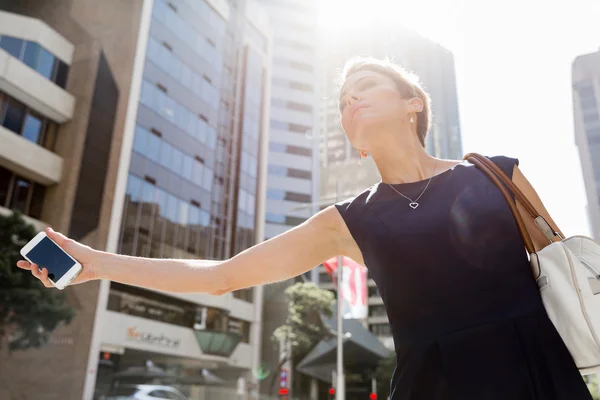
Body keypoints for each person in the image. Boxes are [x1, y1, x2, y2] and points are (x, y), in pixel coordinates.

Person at [18, 57, 592, 400]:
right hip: (434, 386)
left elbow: (571, 279)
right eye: (344, 101)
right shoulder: (349, 220)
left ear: (413, 103)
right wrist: (96, 264)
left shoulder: (496, 175)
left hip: (538, 371)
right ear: (350, 134)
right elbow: (223, 275)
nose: (352, 100)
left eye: (365, 87)